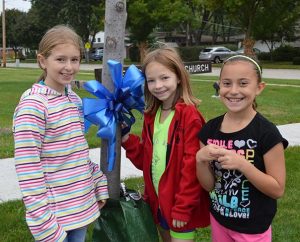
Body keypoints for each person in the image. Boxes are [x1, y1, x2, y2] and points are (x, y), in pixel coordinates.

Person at [13, 25, 109, 242]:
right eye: (61, 59)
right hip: (53, 217)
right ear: (42, 61)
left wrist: (97, 181)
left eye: (74, 59)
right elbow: (28, 167)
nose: (69, 67)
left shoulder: (73, 99)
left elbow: (76, 151)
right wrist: (43, 221)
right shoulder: (34, 105)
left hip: (79, 207)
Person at [196, 55, 288, 242]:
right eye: (227, 83)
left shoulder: (267, 133)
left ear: (259, 88)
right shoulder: (209, 131)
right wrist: (200, 160)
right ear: (218, 86)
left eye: (243, 83)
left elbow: (277, 189)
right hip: (220, 219)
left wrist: (243, 164)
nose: (234, 91)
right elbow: (209, 185)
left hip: (253, 228)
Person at [121, 47, 210, 242]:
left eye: (164, 78)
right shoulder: (152, 115)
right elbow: (147, 161)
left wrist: (183, 207)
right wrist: (127, 140)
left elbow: (192, 167)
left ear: (178, 77)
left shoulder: (189, 115)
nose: (158, 85)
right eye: (151, 80)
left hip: (180, 205)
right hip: (158, 204)